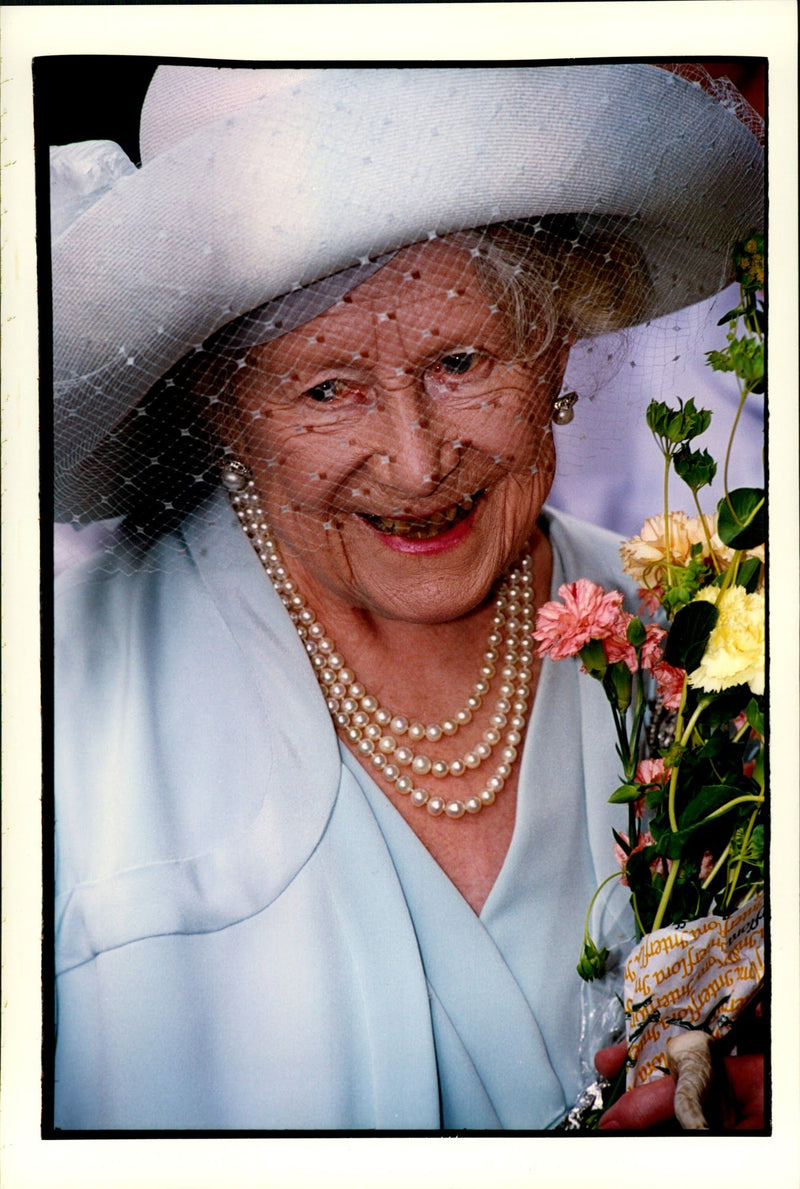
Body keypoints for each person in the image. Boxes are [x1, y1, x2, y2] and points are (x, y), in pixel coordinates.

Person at [51, 64, 764, 1131]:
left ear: (555, 341)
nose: (415, 459)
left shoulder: (717, 655)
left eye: (460, 359)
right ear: (217, 399)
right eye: (325, 387)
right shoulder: (58, 695)